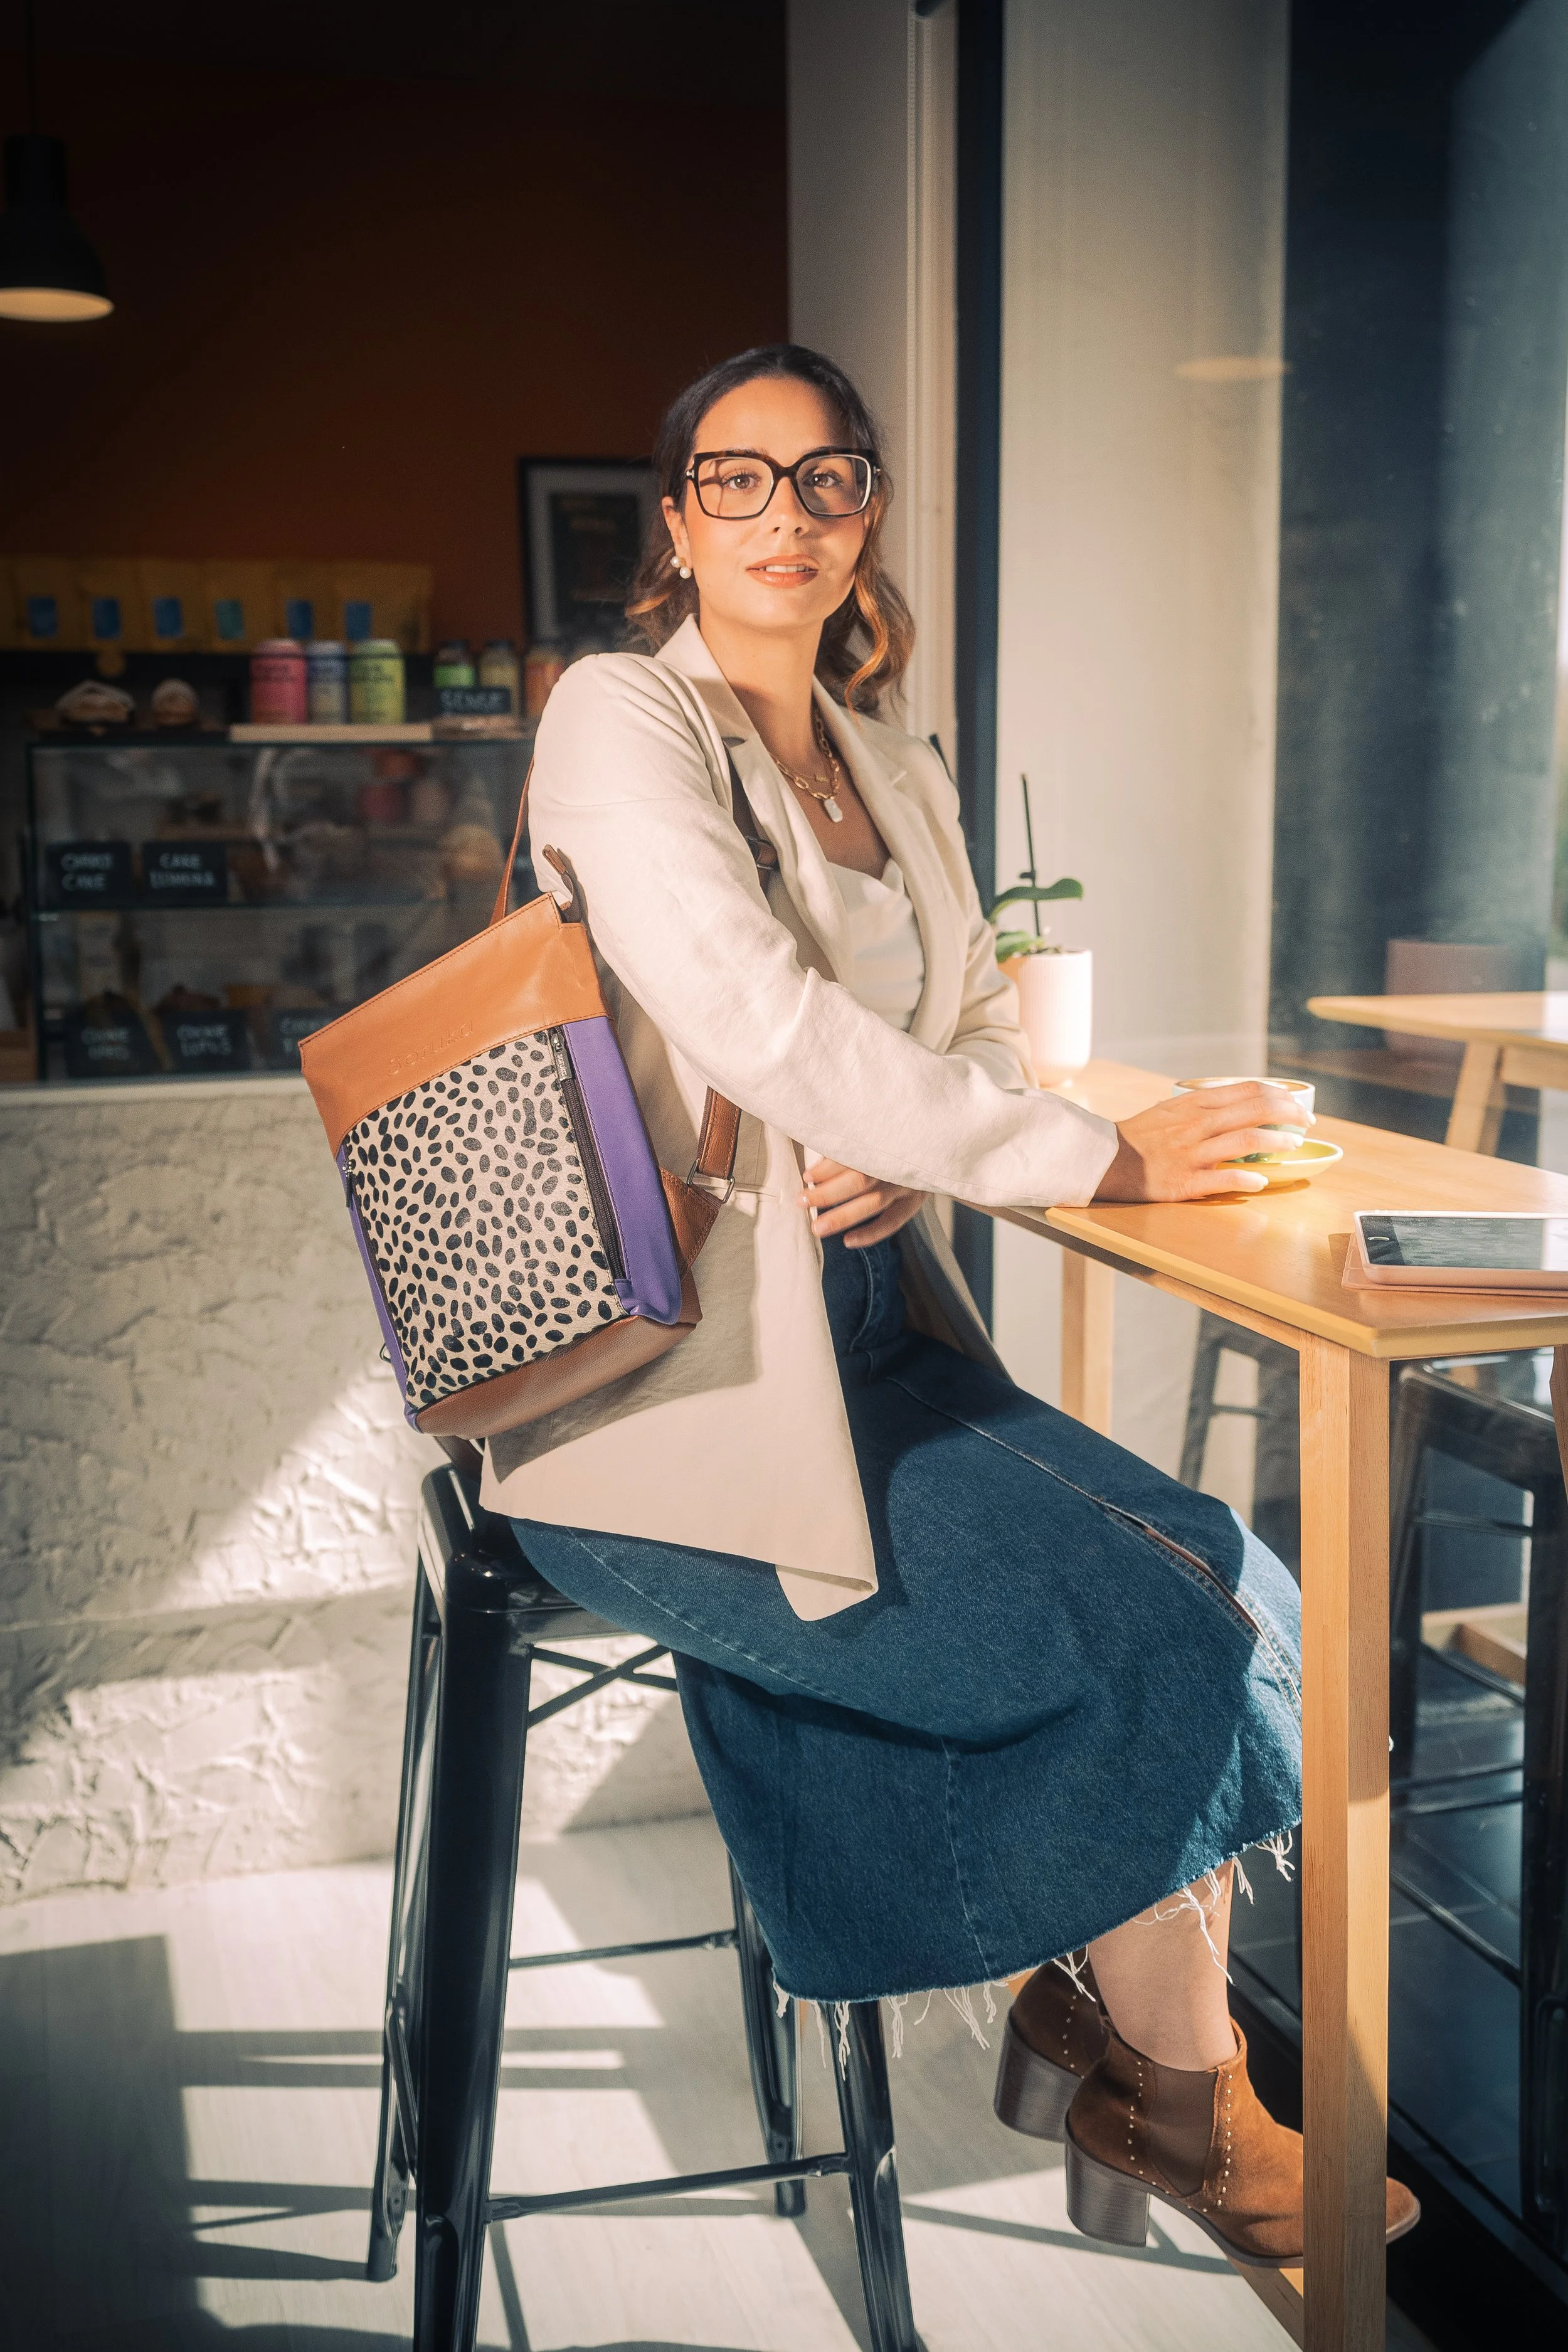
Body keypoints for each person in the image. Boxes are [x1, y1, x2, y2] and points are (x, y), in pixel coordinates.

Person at [481, 342, 1417, 2264]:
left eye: (826, 476)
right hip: (662, 1403)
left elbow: (975, 1025)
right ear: (677, 524)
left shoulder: (892, 762)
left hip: (871, 1340)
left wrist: (921, 1151)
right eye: (736, 478)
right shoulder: (618, 717)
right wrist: (1095, 1160)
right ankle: (1173, 2086)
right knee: (1154, 1624)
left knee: (1235, 1582)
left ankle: (1097, 2013)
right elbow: (749, 1013)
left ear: (867, 510)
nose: (786, 514)